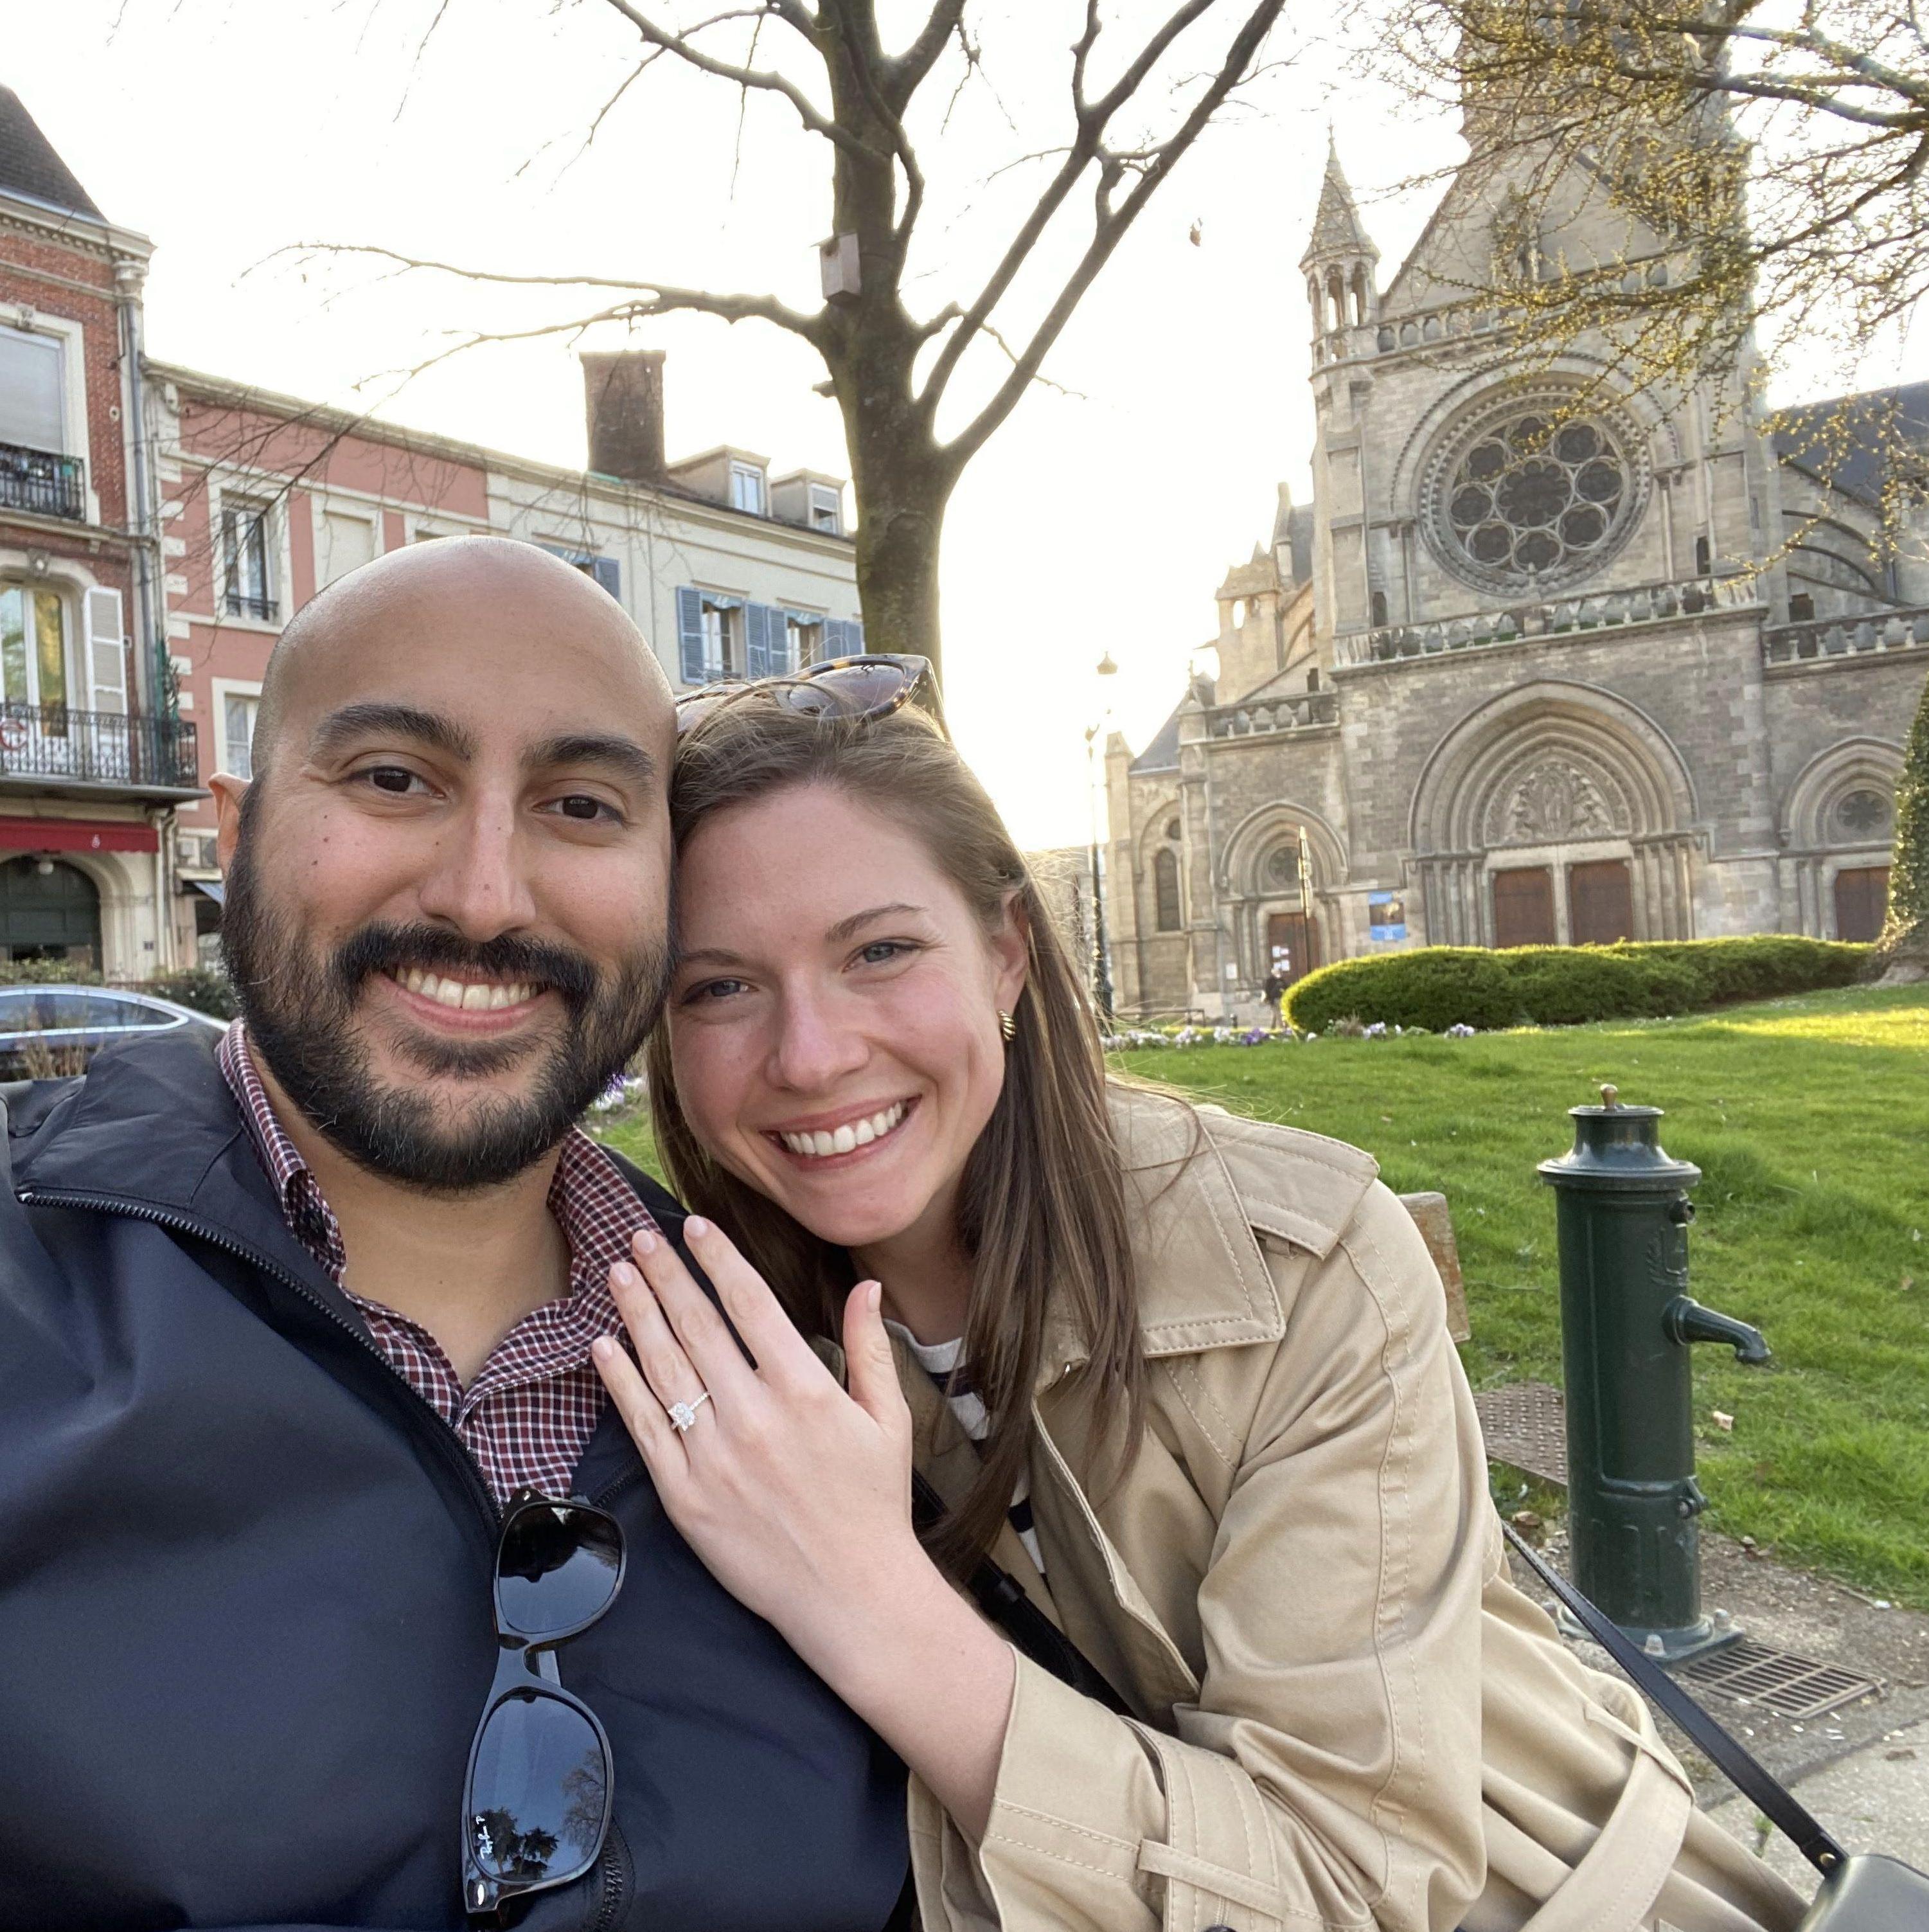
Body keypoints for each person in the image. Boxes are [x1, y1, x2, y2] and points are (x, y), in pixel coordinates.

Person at [591, 659, 1810, 1932]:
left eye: (880, 950)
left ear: (1005, 953)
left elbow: (1346, 1884)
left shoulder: (1299, 1269)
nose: (810, 1054)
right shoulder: (688, 1334)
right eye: (718, 987)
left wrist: (867, 1605)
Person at [0, 542, 908, 1932]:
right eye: (392, 780)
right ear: (237, 832)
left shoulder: (808, 1363)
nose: (486, 898)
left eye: (581, 806)